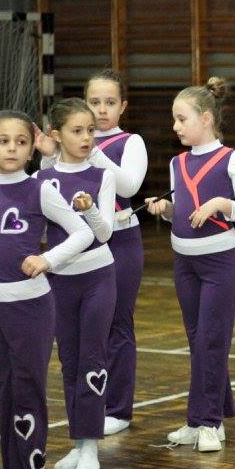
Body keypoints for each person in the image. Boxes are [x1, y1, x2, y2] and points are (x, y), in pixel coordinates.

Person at [0, 110, 95, 469]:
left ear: (31, 147)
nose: (12, 148)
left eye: (20, 141)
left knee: (27, 390)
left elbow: (84, 231)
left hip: (30, 306)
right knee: (5, 390)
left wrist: (48, 259)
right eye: (3, 141)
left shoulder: (40, 188)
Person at [146, 78, 235, 454]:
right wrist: (166, 210)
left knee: (210, 340)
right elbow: (184, 211)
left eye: (182, 119)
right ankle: (209, 418)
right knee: (199, 342)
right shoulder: (177, 163)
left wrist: (220, 205)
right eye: (174, 119)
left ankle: (205, 421)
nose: (175, 126)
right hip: (184, 262)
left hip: (220, 263)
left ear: (206, 119)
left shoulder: (231, 158)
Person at [39, 99, 117, 469]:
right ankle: (77, 441)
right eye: (77, 131)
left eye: (90, 131)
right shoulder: (42, 181)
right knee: (69, 360)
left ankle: (91, 445)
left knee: (93, 358)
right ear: (56, 135)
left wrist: (89, 210)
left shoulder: (103, 175)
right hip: (59, 282)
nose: (86, 137)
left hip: (98, 277)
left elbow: (104, 234)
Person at [83, 70, 148, 435]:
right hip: (80, 244)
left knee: (117, 323)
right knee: (85, 328)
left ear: (123, 106)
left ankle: (119, 409)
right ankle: (90, 402)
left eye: (110, 102)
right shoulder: (74, 140)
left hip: (121, 242)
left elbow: (129, 186)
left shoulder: (130, 142)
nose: (102, 110)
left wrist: (92, 151)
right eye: (94, 102)